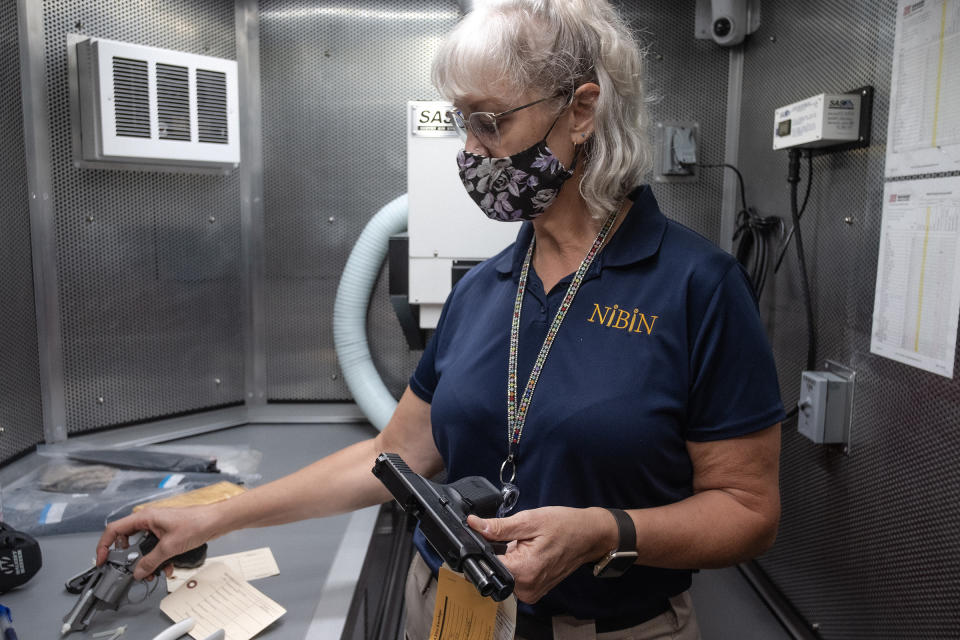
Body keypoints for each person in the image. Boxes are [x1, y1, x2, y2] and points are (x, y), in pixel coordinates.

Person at [96, 1, 784, 638]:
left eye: (491, 122)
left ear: (581, 112)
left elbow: (747, 513)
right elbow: (390, 457)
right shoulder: (486, 289)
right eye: (463, 122)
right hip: (451, 609)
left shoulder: (696, 286)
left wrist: (605, 531)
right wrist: (211, 517)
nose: (472, 152)